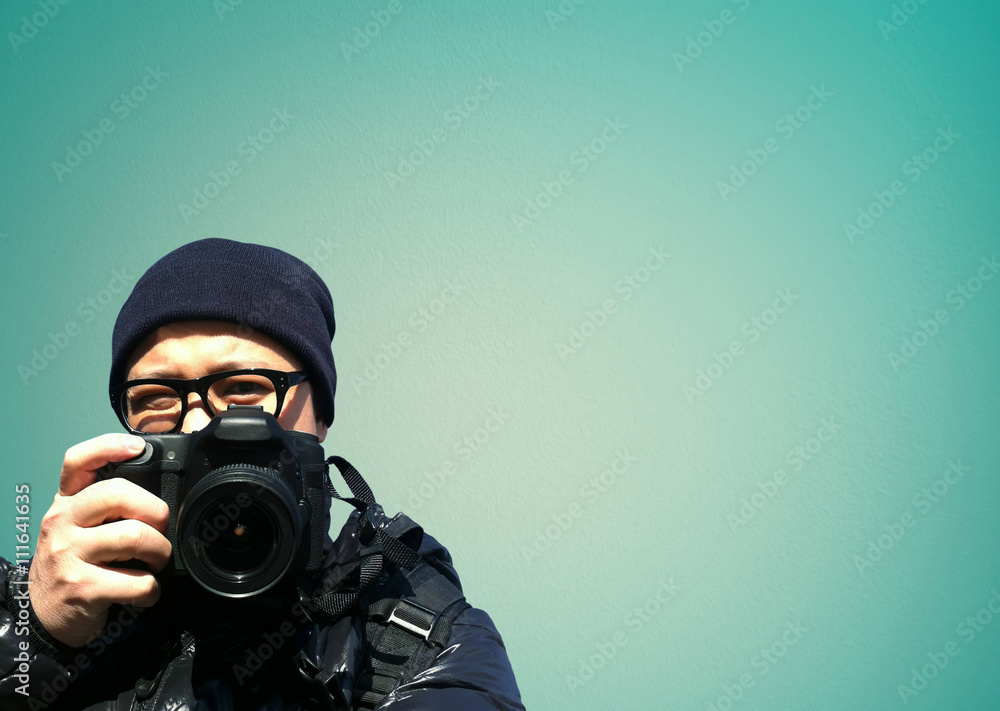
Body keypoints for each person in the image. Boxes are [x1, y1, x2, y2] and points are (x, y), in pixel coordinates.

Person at [0, 238, 524, 710]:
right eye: (158, 399)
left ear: (319, 418)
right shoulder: (39, 601)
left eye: (246, 388)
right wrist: (34, 638)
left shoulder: (419, 634)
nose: (199, 421)